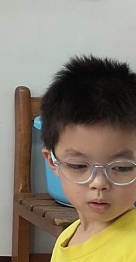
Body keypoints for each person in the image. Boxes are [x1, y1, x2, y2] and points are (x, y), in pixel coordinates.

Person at [39, 55, 136, 261]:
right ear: (52, 162)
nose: (99, 183)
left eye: (122, 167)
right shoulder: (69, 236)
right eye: (78, 165)